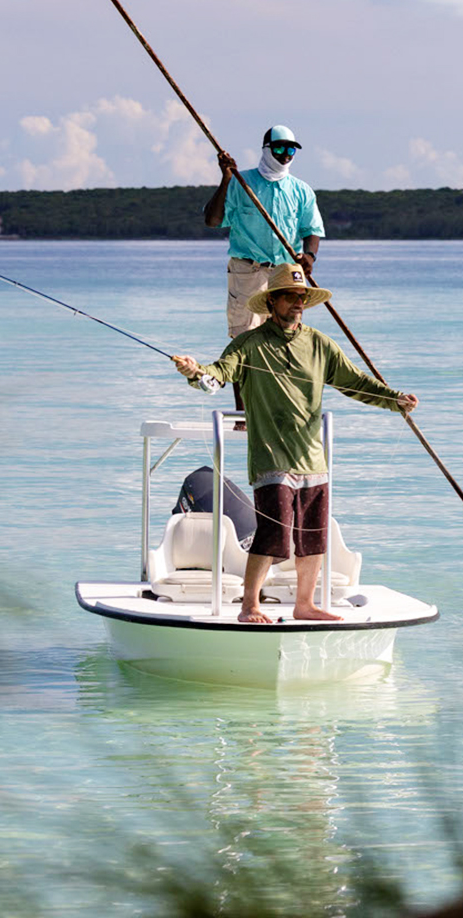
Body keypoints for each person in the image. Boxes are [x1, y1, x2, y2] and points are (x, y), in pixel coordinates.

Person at [168, 270, 418, 625]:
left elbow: (355, 382)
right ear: (272, 301)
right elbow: (217, 376)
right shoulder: (250, 344)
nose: (298, 303)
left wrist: (396, 400)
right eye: (290, 296)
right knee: (274, 536)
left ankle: (305, 604)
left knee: (314, 538)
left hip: (312, 458)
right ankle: (249, 606)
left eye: (302, 297)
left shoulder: (319, 344)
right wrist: (194, 371)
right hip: (272, 459)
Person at [205, 123, 324, 340]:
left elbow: (312, 229)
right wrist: (226, 178)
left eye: (291, 150)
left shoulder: (302, 190)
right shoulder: (241, 182)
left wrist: (309, 256)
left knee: (287, 336)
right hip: (248, 271)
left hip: (286, 273)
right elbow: (212, 220)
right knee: (245, 338)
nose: (285, 156)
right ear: (266, 149)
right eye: (279, 149)